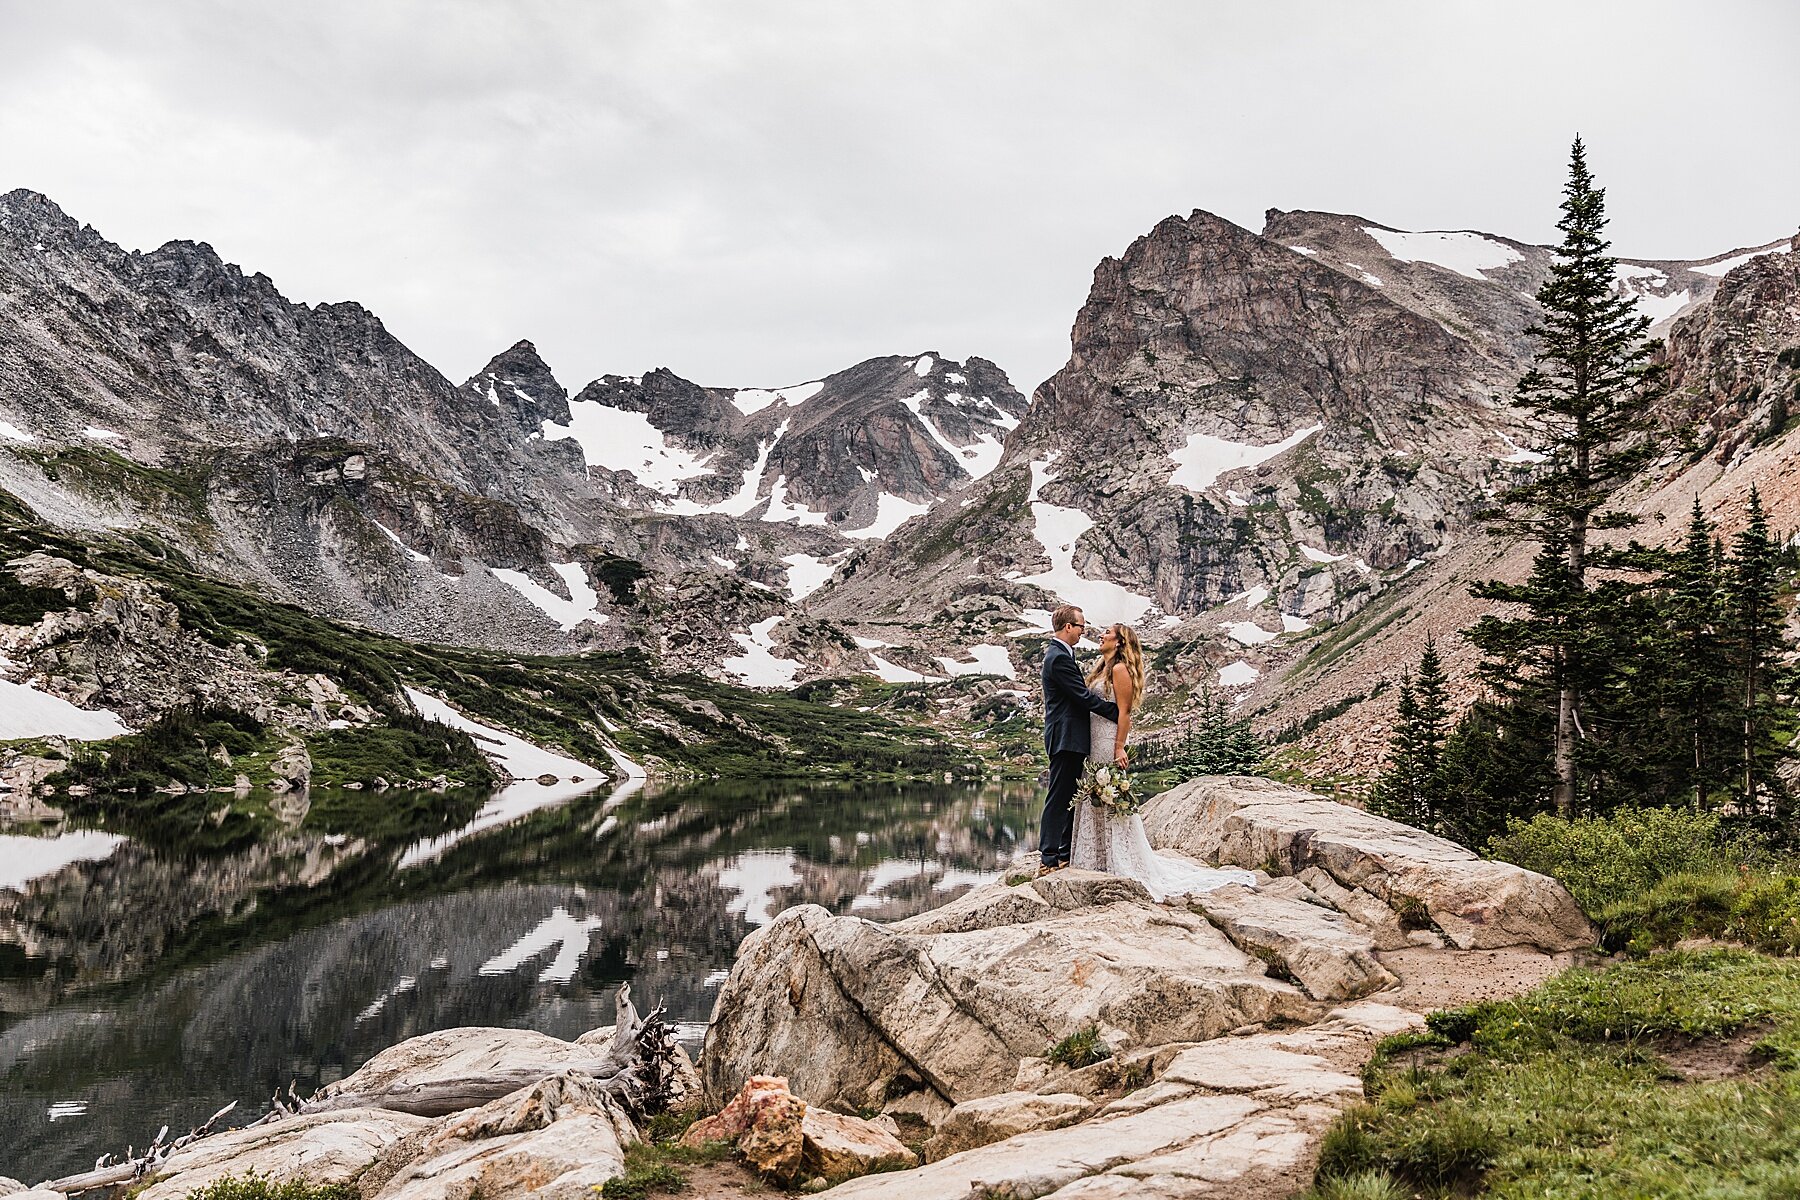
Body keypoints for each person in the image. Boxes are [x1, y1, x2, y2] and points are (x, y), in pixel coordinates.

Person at [1071, 623, 1257, 900]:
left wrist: (1119, 746)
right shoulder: (1101, 669)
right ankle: (1096, 857)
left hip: (1108, 739)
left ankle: (1118, 858)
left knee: (1108, 796)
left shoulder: (1120, 670)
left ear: (1120, 642)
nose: (1101, 635)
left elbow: (1124, 713)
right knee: (1094, 794)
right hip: (1093, 739)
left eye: (1107, 633)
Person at [1036, 604, 1118, 876]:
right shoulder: (1058, 657)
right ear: (1068, 627)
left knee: (1068, 796)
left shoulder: (1061, 654)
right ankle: (1048, 857)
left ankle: (1061, 853)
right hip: (1066, 737)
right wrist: (1113, 711)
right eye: (1081, 626)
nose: (1084, 631)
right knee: (1059, 797)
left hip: (1070, 737)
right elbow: (1080, 698)